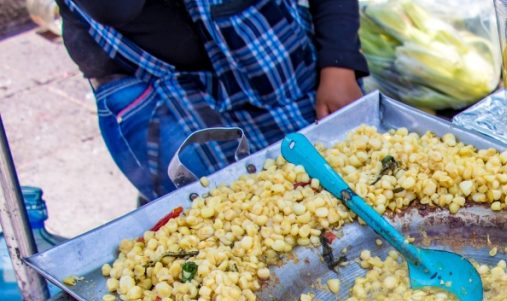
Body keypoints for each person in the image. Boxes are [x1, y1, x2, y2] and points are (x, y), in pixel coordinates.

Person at [55, 0, 367, 200]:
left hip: (272, 61)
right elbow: (115, 8)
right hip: (155, 82)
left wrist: (338, 64)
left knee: (349, 187)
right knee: (214, 211)